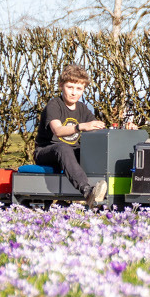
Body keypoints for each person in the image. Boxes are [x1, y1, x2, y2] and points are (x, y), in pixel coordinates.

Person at [34, 65, 124, 206]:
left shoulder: (82, 108)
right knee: (63, 147)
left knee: (90, 150)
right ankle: (87, 191)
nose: (74, 93)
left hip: (71, 152)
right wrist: (80, 127)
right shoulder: (54, 105)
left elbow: (98, 128)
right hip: (47, 152)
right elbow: (58, 130)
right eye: (70, 87)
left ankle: (108, 190)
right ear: (61, 86)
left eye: (79, 89)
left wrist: (124, 128)